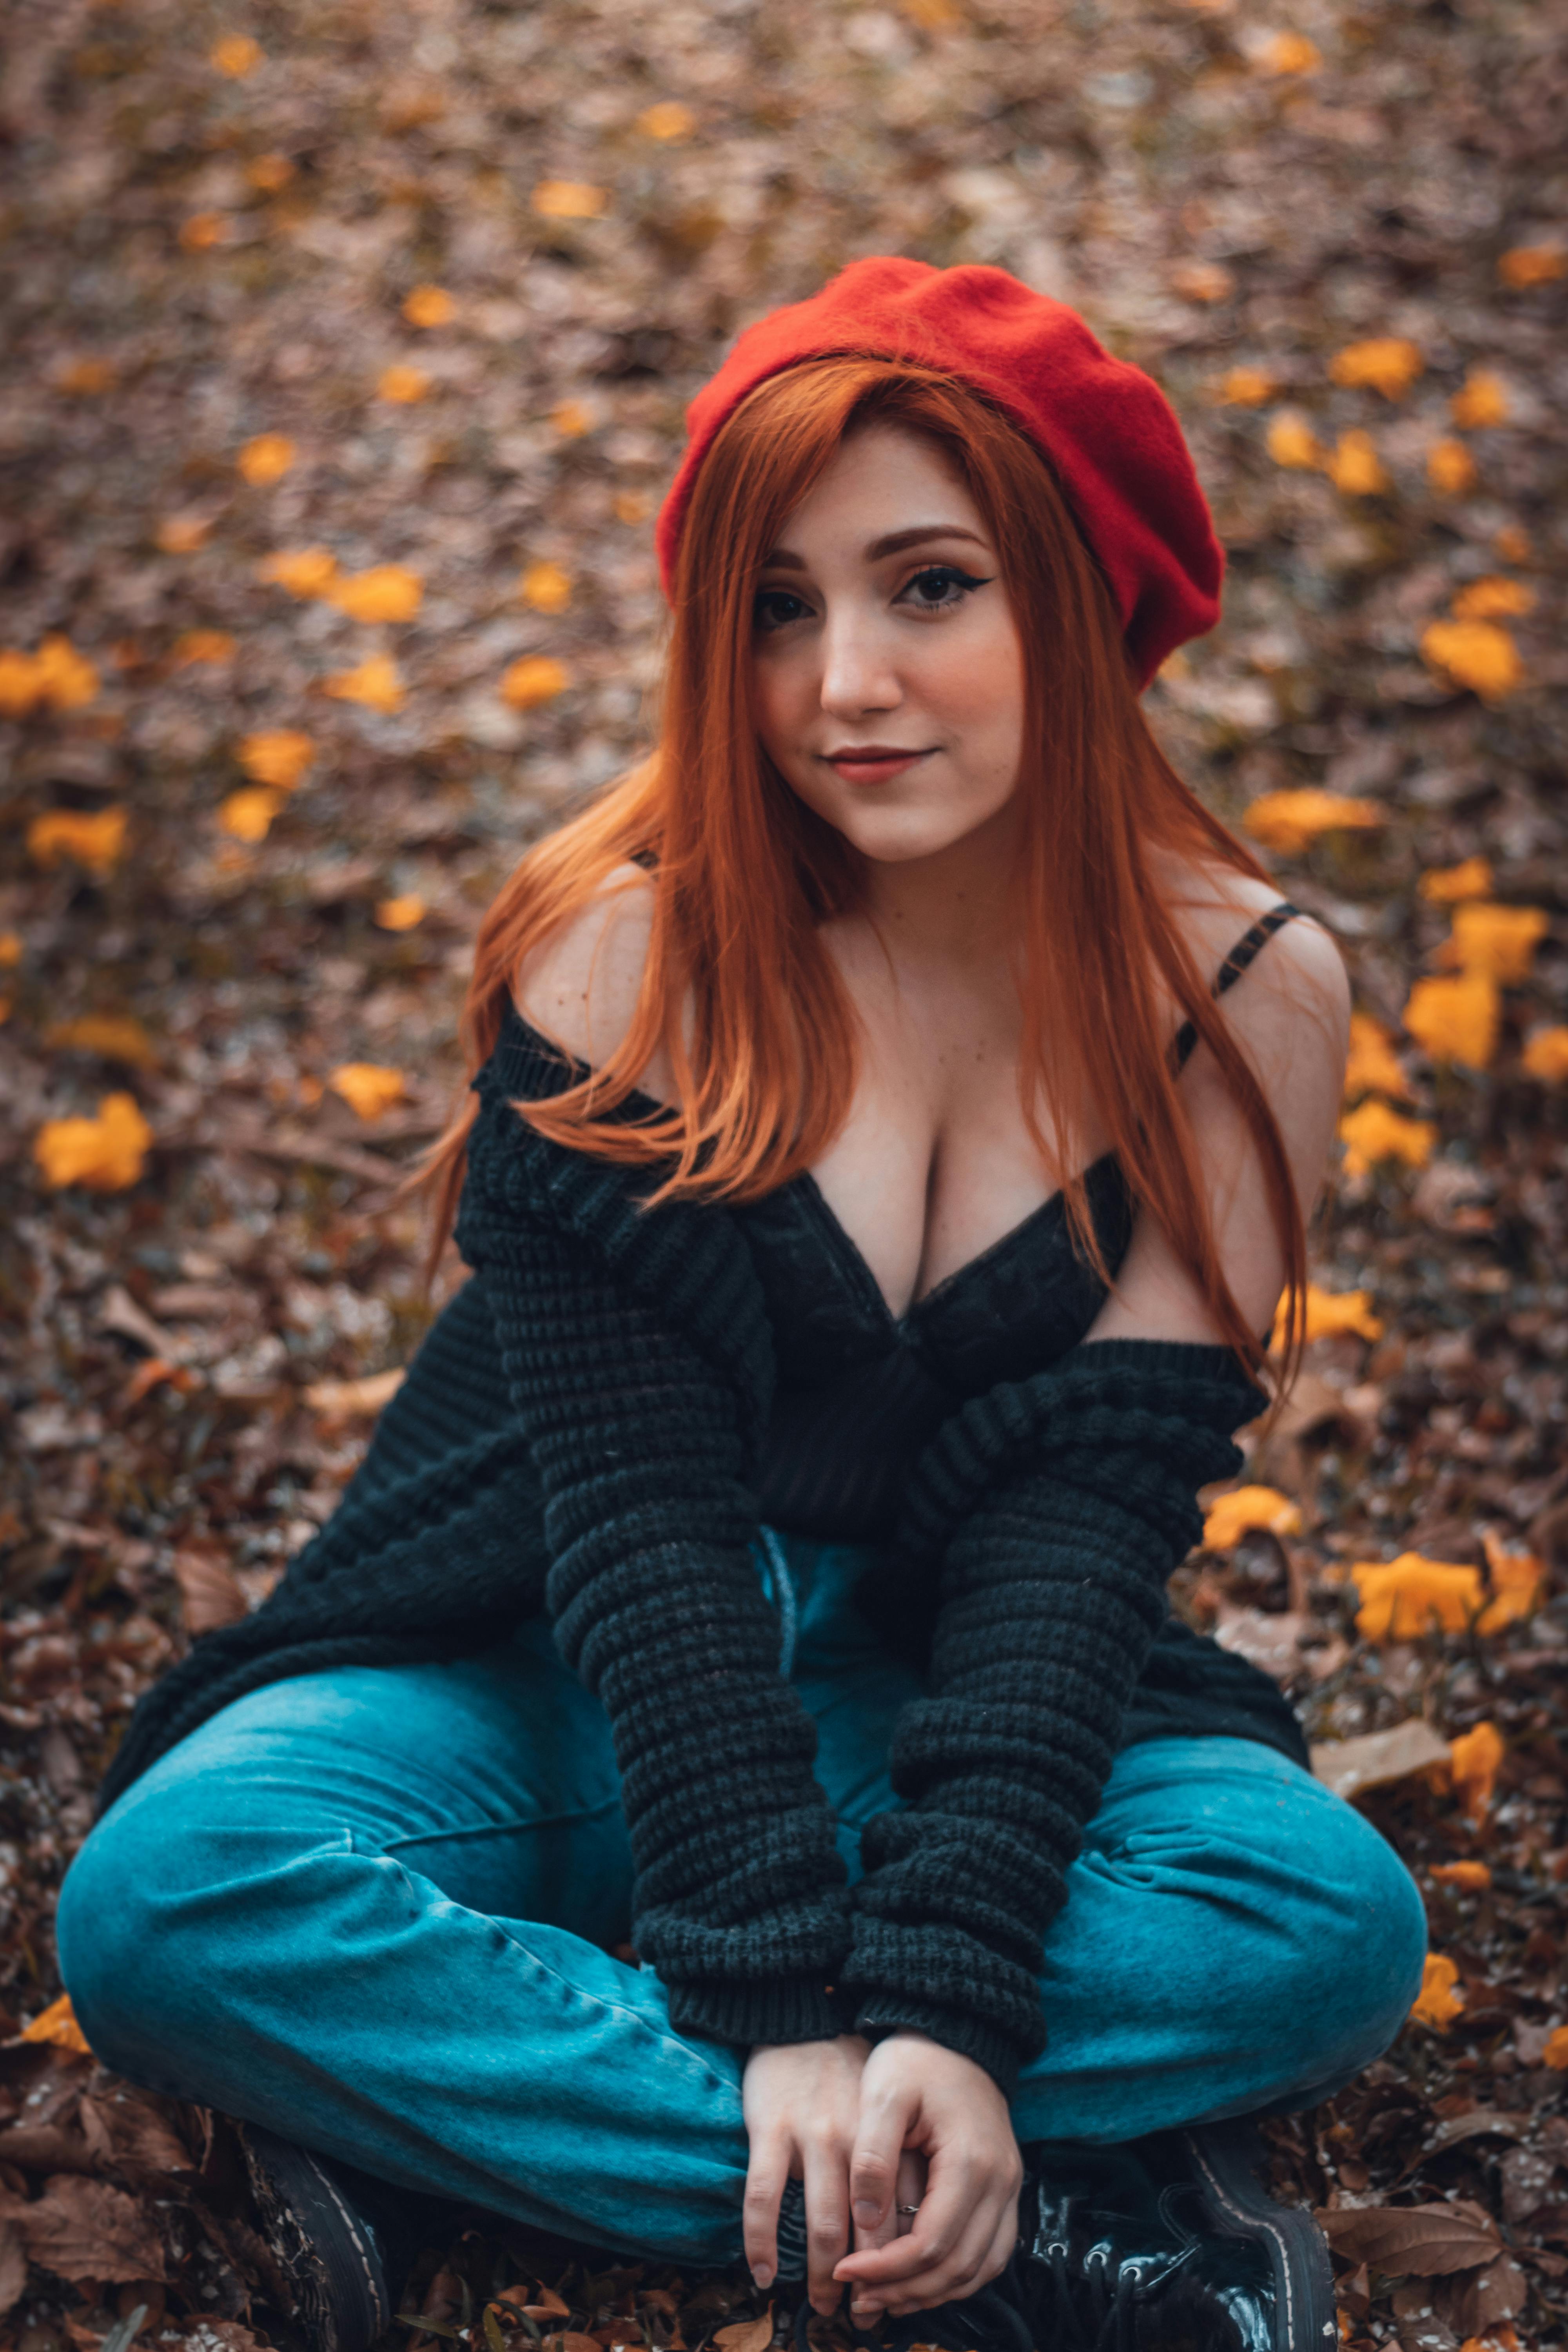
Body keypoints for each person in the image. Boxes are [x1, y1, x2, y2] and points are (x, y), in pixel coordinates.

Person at [58, 258, 1427, 2352]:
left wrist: (952, 1996)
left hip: (941, 1692)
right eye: (778, 607)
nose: (842, 682)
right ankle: (1030, 2232)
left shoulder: (1244, 1001)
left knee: (1316, 1923)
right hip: (542, 1664)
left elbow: (1089, 1523)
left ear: (1081, 596)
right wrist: (785, 2009)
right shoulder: (620, 962)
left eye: (928, 587)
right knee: (173, 1897)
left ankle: (473, 2113)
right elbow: (641, 1527)